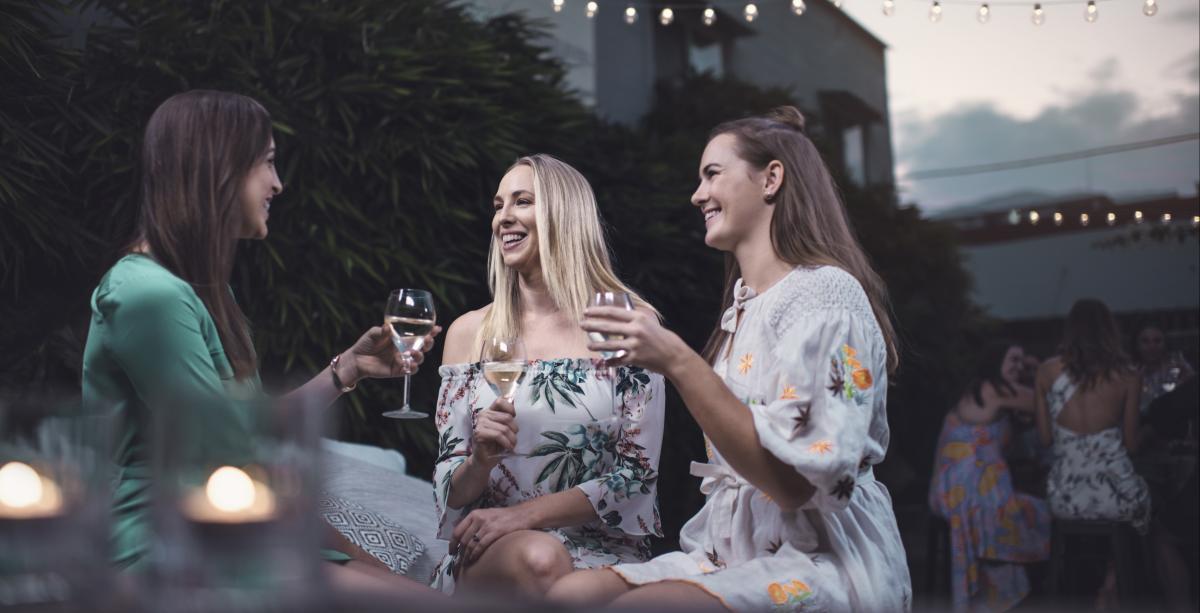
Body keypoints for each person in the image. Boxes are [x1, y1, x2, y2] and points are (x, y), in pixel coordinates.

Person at [551, 106, 912, 610]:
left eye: (712, 174)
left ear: (771, 179)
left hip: (818, 555)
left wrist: (676, 359)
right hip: (728, 550)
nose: (697, 194)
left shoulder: (826, 296)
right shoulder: (741, 310)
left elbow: (793, 488)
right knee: (565, 596)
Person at [80, 90, 439, 593]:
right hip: (166, 536)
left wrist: (346, 370)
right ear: (220, 170)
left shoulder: (200, 289)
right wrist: (341, 541)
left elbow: (243, 425)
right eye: (267, 163)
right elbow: (226, 449)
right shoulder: (147, 295)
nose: (278, 183)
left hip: (228, 520)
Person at [430, 154, 665, 597]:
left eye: (522, 202)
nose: (504, 217)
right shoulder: (470, 333)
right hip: (496, 549)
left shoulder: (628, 324)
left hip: (604, 555)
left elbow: (637, 475)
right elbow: (449, 491)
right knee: (541, 559)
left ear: (564, 214)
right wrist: (480, 460)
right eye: (498, 205)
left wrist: (525, 515)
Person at [1034, 298, 1151, 607]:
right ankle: (1113, 582)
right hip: (1114, 494)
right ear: (1110, 331)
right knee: (1150, 516)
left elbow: (1045, 440)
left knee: (1077, 539)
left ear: (1070, 330)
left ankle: (1084, 588)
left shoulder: (1046, 372)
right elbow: (1131, 443)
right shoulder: (1128, 374)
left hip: (1064, 497)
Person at [929, 341, 1050, 611]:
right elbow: (1049, 401)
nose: (1019, 367)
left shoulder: (991, 393)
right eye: (1014, 360)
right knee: (1041, 513)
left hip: (964, 486)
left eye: (1023, 363)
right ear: (997, 361)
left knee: (1027, 507)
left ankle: (1012, 590)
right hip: (963, 488)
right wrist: (1040, 371)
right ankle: (1031, 591)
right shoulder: (993, 389)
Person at [1133, 323, 1195, 415]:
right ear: (1137, 345)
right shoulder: (1129, 371)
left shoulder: (1178, 366)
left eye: (1157, 341)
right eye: (1145, 341)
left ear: (1165, 344)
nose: (1152, 347)